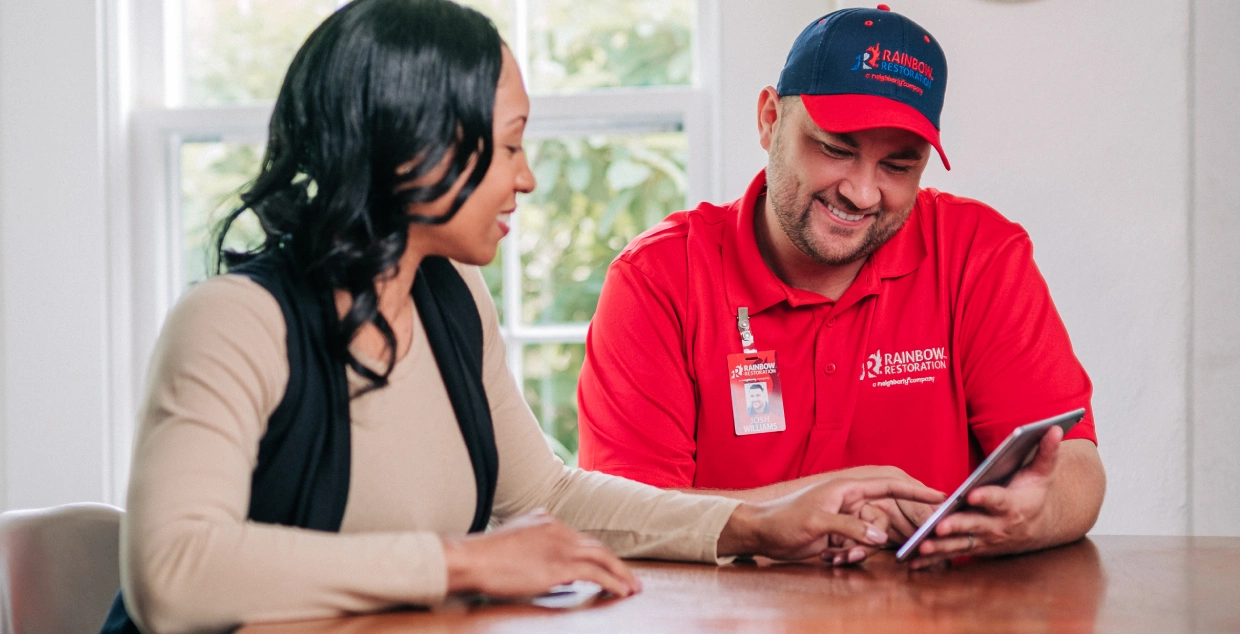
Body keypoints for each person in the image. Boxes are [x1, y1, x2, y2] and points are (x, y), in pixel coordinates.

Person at [100, 2, 943, 632]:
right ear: (412, 145)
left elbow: (545, 495)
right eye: (508, 146)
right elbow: (172, 572)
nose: (527, 177)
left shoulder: (452, 299)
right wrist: (464, 563)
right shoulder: (235, 322)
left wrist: (753, 522)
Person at [576, 4, 1106, 570]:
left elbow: (1077, 469)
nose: (862, 192)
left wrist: (1032, 516)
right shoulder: (658, 278)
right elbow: (623, 519)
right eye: (835, 149)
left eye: (898, 166)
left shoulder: (979, 253)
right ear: (769, 120)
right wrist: (800, 509)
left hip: (940, 609)